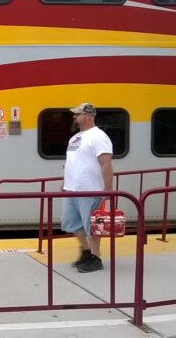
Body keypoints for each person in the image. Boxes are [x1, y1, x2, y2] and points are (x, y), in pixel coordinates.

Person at [62, 102, 114, 273]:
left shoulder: (98, 136)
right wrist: (64, 185)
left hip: (90, 190)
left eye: (78, 114)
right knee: (72, 223)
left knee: (91, 226)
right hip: (72, 189)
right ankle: (86, 251)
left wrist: (107, 190)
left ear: (89, 116)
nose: (74, 117)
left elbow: (105, 162)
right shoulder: (75, 138)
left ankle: (96, 258)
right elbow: (72, 162)